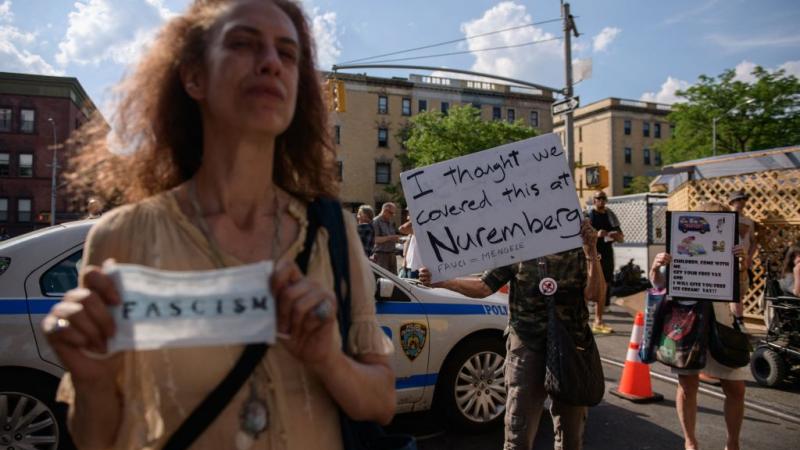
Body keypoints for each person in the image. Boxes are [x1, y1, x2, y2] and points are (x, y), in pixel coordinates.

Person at [40, 1, 395, 449]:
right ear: (193, 77)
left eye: (287, 54)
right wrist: (92, 379)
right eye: (244, 44)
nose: (270, 63)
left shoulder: (333, 232)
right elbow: (97, 440)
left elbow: (381, 404)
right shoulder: (122, 237)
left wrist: (328, 359)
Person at [419, 220, 603, 450]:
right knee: (518, 430)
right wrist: (444, 282)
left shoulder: (577, 245)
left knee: (571, 434)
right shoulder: (516, 245)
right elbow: (485, 287)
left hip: (571, 346)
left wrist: (591, 251)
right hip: (527, 342)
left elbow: (595, 294)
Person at [649, 203, 747, 450]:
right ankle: (690, 442)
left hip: (721, 324)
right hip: (687, 322)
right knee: (687, 385)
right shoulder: (679, 246)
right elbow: (660, 286)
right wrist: (656, 266)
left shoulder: (729, 251)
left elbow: (740, 293)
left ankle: (732, 443)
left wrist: (742, 267)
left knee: (735, 387)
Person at [587, 190, 623, 334]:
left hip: (606, 254)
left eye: (603, 198)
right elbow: (582, 235)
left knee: (604, 286)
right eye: (598, 198)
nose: (601, 201)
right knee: (588, 284)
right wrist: (596, 234)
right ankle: (584, 318)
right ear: (594, 200)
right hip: (591, 254)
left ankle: (598, 320)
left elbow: (622, 238)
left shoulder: (610, 215)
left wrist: (615, 236)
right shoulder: (589, 215)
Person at [372, 202, 401, 273]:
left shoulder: (390, 222)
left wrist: (397, 239)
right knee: (383, 280)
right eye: (391, 213)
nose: (393, 215)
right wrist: (390, 238)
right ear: (385, 210)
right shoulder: (376, 222)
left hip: (392, 254)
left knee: (394, 280)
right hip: (381, 256)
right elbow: (375, 239)